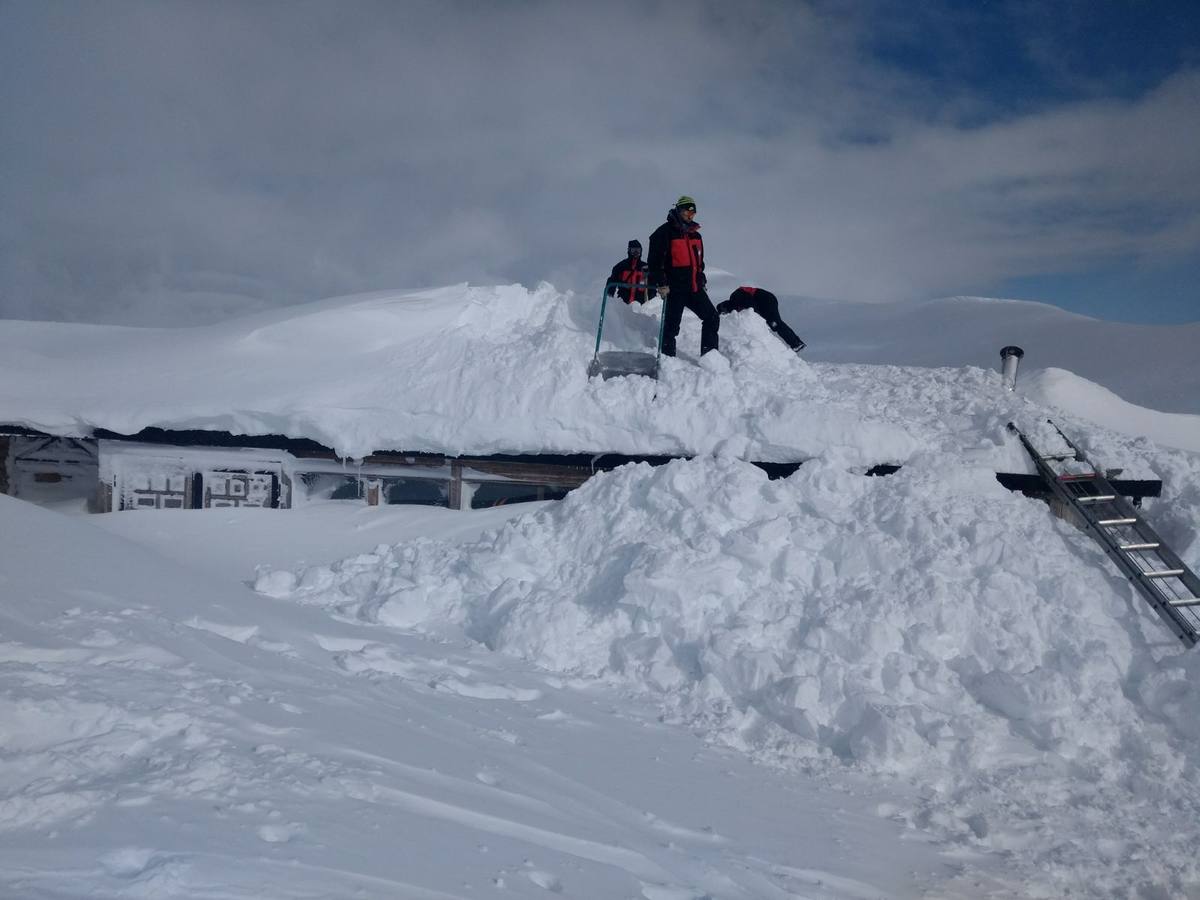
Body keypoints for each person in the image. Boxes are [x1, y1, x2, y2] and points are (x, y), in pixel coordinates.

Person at [647, 195, 719, 357]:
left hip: (694, 288)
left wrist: (701, 277)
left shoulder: (696, 235)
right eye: (688, 211)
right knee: (671, 327)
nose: (691, 215)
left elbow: (699, 262)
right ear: (679, 210)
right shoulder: (664, 233)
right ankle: (667, 359)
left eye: (693, 212)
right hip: (675, 288)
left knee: (712, 317)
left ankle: (711, 357)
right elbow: (654, 262)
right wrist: (661, 282)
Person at [717, 286, 806, 352]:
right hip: (764, 301)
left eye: (724, 312)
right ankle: (796, 343)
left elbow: (751, 305)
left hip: (765, 300)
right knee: (775, 324)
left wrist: (755, 317)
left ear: (725, 307)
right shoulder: (737, 303)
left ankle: (796, 343)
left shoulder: (735, 297)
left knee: (775, 324)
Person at [605, 240, 656, 305]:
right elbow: (612, 281)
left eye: (638, 250)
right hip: (624, 305)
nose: (636, 252)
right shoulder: (621, 267)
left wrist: (651, 302)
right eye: (633, 250)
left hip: (641, 306)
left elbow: (653, 284)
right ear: (629, 250)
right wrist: (609, 299)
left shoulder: (646, 268)